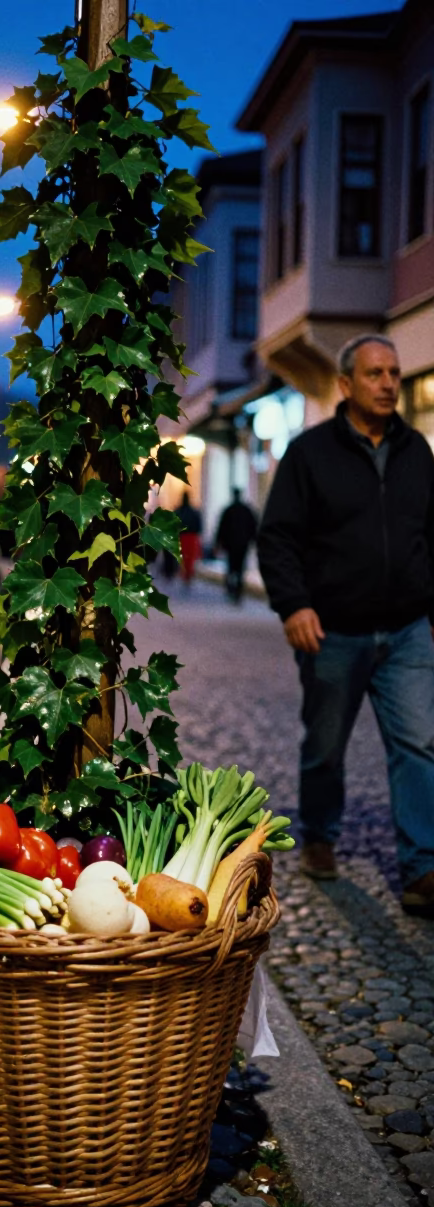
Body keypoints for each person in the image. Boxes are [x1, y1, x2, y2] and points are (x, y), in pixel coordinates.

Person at [257, 334, 434, 913]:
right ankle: (320, 836)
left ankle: (421, 870)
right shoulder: (310, 454)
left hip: (407, 629)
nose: (388, 384)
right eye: (375, 374)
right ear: (346, 384)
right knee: (326, 747)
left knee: (418, 745)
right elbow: (277, 537)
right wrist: (295, 605)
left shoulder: (417, 452)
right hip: (332, 629)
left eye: (394, 374)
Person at [215, 488, 258, 603]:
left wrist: (218, 543)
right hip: (242, 544)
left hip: (231, 544)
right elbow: (253, 526)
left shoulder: (229, 510)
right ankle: (238, 591)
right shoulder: (246, 510)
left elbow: (221, 528)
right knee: (239, 568)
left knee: (231, 567)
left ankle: (231, 589)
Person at [175, 491, 203, 584]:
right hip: (191, 537)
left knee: (183, 556)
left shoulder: (178, 511)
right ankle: (188, 574)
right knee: (189, 557)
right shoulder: (194, 512)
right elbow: (198, 525)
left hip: (182, 536)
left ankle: (185, 574)